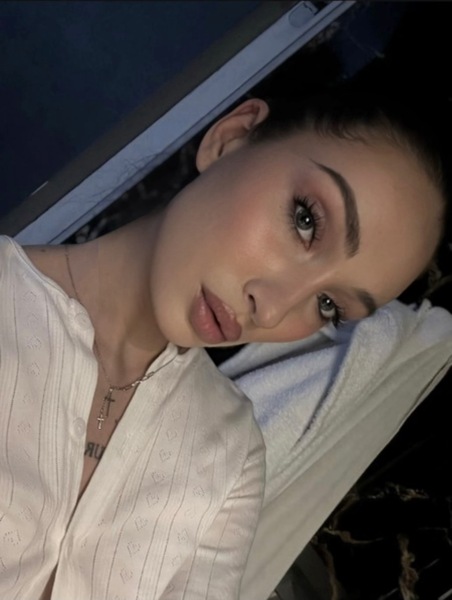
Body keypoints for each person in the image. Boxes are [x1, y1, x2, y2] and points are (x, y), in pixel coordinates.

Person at [0, 88, 448, 600]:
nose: (272, 308)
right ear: (231, 138)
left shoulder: (232, 455)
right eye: (305, 220)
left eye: (329, 305)